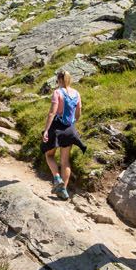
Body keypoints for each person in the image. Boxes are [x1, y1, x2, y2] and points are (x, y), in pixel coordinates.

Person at [41, 68, 84, 200]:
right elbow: (78, 113)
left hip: (57, 128)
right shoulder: (76, 93)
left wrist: (47, 130)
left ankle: (57, 178)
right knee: (65, 161)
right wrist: (72, 123)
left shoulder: (57, 93)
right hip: (70, 129)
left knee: (49, 155)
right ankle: (63, 191)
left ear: (59, 80)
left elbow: (52, 113)